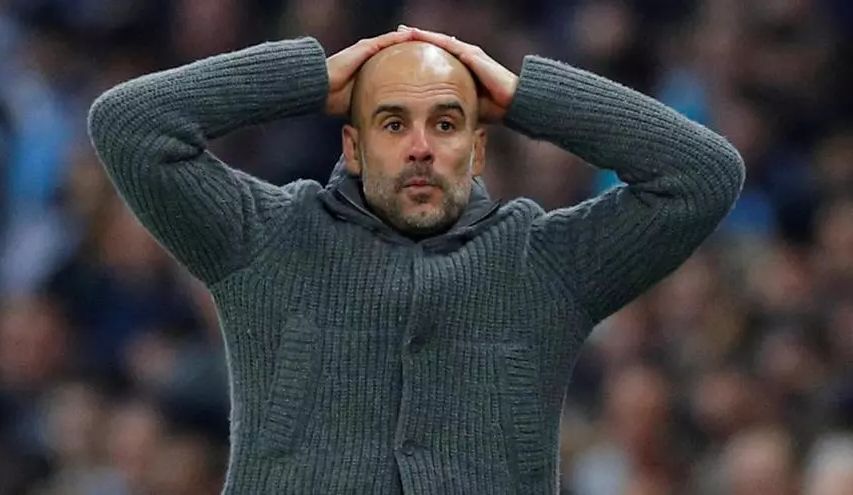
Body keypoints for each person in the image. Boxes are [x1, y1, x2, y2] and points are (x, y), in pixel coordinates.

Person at [88, 25, 745, 495]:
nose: (422, 148)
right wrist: (310, 79)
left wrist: (525, 97)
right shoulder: (266, 236)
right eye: (394, 123)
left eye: (447, 124)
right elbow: (130, 125)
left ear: (479, 148)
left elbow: (702, 175)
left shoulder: (547, 265)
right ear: (352, 145)